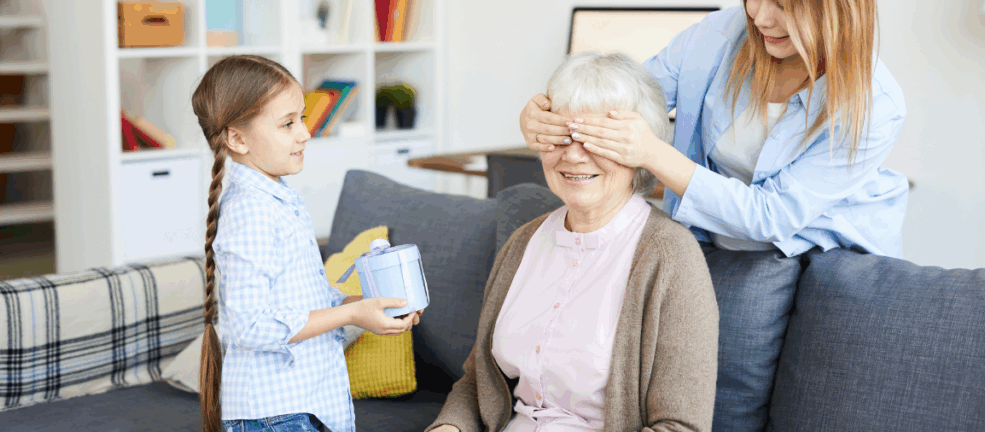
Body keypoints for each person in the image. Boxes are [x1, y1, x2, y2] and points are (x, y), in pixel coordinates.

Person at [520, 0, 908, 260]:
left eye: (783, 2)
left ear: (836, 3)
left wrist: (653, 153)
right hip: (716, 238)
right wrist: (544, 115)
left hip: (828, 256)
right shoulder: (720, 36)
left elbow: (770, 217)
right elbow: (630, 96)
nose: (760, 17)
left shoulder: (875, 105)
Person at [428, 52, 719, 432]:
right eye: (561, 136)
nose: (575, 155)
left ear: (638, 148)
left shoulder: (670, 257)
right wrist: (447, 428)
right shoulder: (524, 242)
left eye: (597, 139)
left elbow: (681, 427)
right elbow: (477, 382)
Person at [191, 55, 422, 432]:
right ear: (237, 138)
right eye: (288, 124)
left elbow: (300, 302)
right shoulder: (251, 211)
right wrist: (350, 316)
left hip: (305, 405)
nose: (305, 134)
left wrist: (360, 307)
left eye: (302, 118)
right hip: (277, 413)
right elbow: (250, 326)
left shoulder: (278, 199)